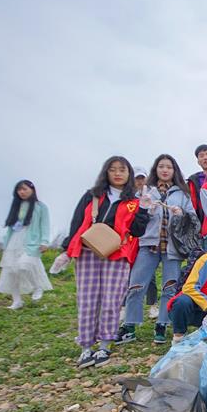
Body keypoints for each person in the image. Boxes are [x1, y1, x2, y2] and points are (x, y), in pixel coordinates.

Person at [60, 156, 149, 368]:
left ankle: (105, 345)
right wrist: (66, 249)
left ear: (128, 174)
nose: (117, 173)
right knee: (87, 299)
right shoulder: (92, 196)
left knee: (112, 299)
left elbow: (137, 231)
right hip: (88, 251)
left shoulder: (133, 202)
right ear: (106, 172)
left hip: (117, 253)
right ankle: (86, 347)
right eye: (113, 169)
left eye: (122, 170)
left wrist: (144, 210)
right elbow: (77, 223)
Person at [117, 154, 195, 345]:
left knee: (170, 287)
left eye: (169, 167)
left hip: (173, 247)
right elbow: (133, 218)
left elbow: (192, 218)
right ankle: (129, 326)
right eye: (161, 166)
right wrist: (144, 209)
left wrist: (181, 214)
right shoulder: (145, 191)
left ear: (174, 171)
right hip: (148, 244)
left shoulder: (182, 194)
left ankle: (162, 324)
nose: (165, 170)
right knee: (136, 285)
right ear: (155, 169)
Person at [0, 180, 53, 309]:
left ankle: (37, 286)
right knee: (11, 272)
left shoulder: (40, 207)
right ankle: (17, 301)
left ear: (32, 190)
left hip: (32, 242)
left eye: (24, 189)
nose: (21, 192)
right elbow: (11, 228)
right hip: (14, 240)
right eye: (19, 189)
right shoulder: (16, 206)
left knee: (24, 266)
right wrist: (6, 245)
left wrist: (44, 241)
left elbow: (45, 226)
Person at [131, 166, 159, 317]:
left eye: (142, 178)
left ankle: (153, 304)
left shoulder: (153, 194)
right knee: (131, 273)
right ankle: (126, 306)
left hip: (148, 239)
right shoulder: (130, 198)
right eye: (137, 179)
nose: (140, 181)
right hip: (131, 240)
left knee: (150, 275)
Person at [186, 144, 207, 223]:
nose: (205, 158)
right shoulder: (193, 181)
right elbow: (191, 204)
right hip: (201, 221)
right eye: (201, 156)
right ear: (198, 162)